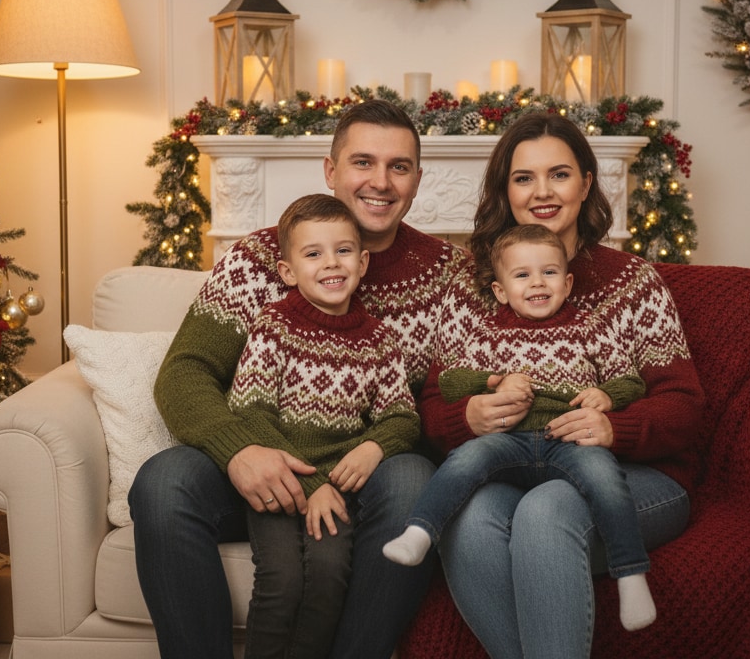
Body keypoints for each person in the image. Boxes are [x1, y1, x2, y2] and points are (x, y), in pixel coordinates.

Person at [129, 99, 468, 659]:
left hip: (368, 473)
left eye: (398, 167)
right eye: (362, 162)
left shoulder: (449, 274)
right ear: (331, 170)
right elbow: (186, 372)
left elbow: (442, 399)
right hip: (263, 459)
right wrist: (241, 452)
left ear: (417, 179)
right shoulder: (257, 259)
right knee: (163, 482)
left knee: (412, 482)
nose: (379, 182)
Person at [417, 112, 705, 659]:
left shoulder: (634, 282)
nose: (542, 192)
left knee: (547, 511)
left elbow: (684, 404)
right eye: (523, 177)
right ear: (505, 190)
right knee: (472, 521)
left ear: (587, 183)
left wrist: (612, 427)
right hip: (512, 463)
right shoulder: (474, 286)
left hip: (635, 479)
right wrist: (467, 418)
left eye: (560, 174)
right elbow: (433, 404)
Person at [383, 223, 657, 631]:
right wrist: (493, 383)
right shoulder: (488, 332)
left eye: (548, 273)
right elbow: (451, 380)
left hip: (569, 439)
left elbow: (630, 378)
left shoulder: (591, 326)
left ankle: (631, 574)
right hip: (508, 441)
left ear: (567, 283)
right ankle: (420, 532)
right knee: (465, 458)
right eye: (522, 275)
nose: (536, 284)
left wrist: (607, 397)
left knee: (605, 475)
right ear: (500, 290)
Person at [230, 193, 420, 658]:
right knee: (282, 580)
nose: (331, 263)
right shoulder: (273, 326)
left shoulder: (379, 340)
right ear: (288, 272)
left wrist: (374, 446)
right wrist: (310, 481)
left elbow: (402, 416)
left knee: (331, 575)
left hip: (337, 493)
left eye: (343, 250)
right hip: (279, 485)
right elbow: (249, 410)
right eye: (313, 253)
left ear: (363, 261)